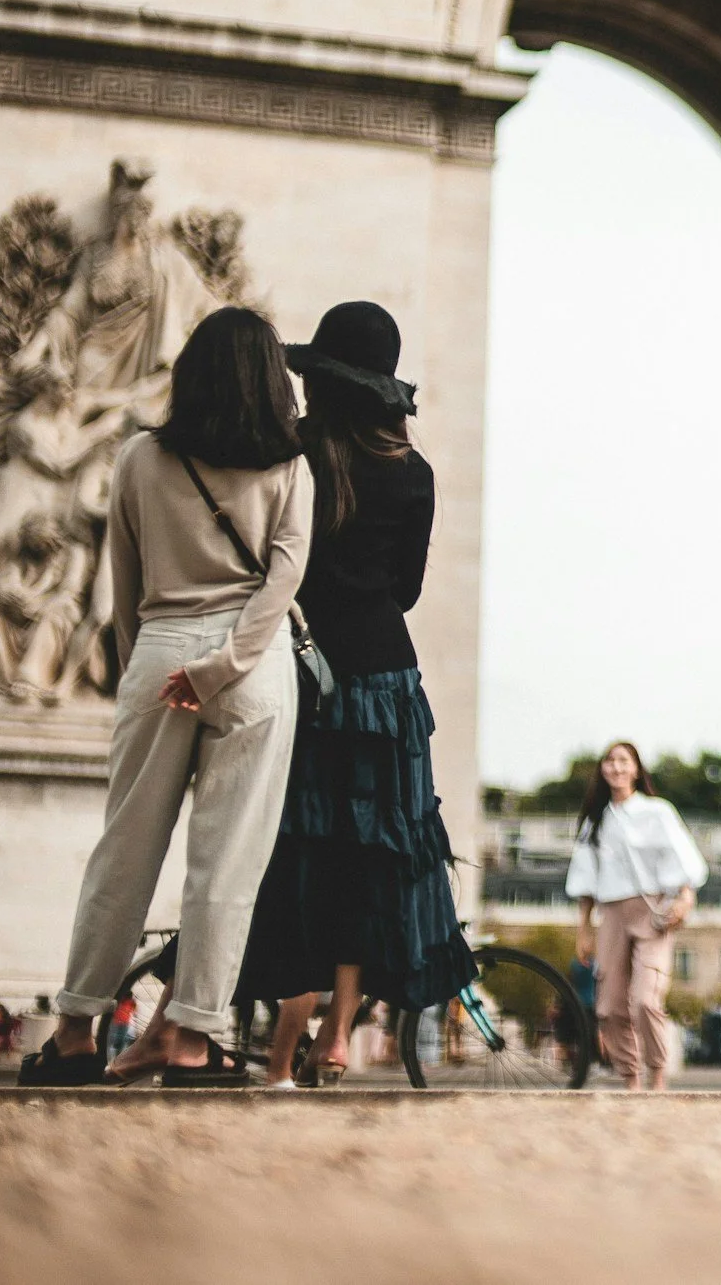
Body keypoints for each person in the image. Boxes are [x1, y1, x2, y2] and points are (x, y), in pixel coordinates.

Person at [24, 307, 313, 1088]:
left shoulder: (139, 459)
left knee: (125, 852)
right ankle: (192, 1039)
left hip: (160, 653)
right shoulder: (291, 464)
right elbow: (284, 581)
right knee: (227, 865)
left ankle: (76, 1032)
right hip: (254, 669)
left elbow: (123, 583)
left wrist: (146, 671)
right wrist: (225, 665)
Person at [231, 301, 478, 1089]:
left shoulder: (293, 459)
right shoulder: (414, 473)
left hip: (302, 672)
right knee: (376, 858)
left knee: (304, 854)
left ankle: (279, 1045)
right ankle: (338, 1032)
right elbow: (405, 590)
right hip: (385, 679)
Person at [570, 741, 705, 1091]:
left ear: (636, 769)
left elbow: (682, 859)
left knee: (647, 998)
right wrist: (583, 930)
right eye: (610, 761)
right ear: (602, 769)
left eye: (623, 761)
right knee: (610, 1005)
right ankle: (630, 1078)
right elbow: (585, 879)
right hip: (611, 914)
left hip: (652, 912)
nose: (616, 768)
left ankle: (657, 1075)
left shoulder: (657, 811)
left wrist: (685, 899)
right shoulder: (594, 821)